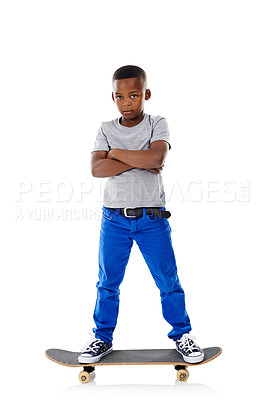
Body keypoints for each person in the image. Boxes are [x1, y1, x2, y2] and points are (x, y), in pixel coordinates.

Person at [78, 65, 204, 364]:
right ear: (113, 97)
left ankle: (182, 334)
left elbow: (156, 158)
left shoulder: (156, 123)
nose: (127, 102)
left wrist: (115, 153)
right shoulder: (105, 128)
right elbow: (97, 169)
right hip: (114, 220)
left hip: (152, 219)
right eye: (120, 97)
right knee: (107, 282)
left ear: (145, 94)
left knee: (168, 281)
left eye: (134, 95)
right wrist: (138, 158)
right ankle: (101, 337)